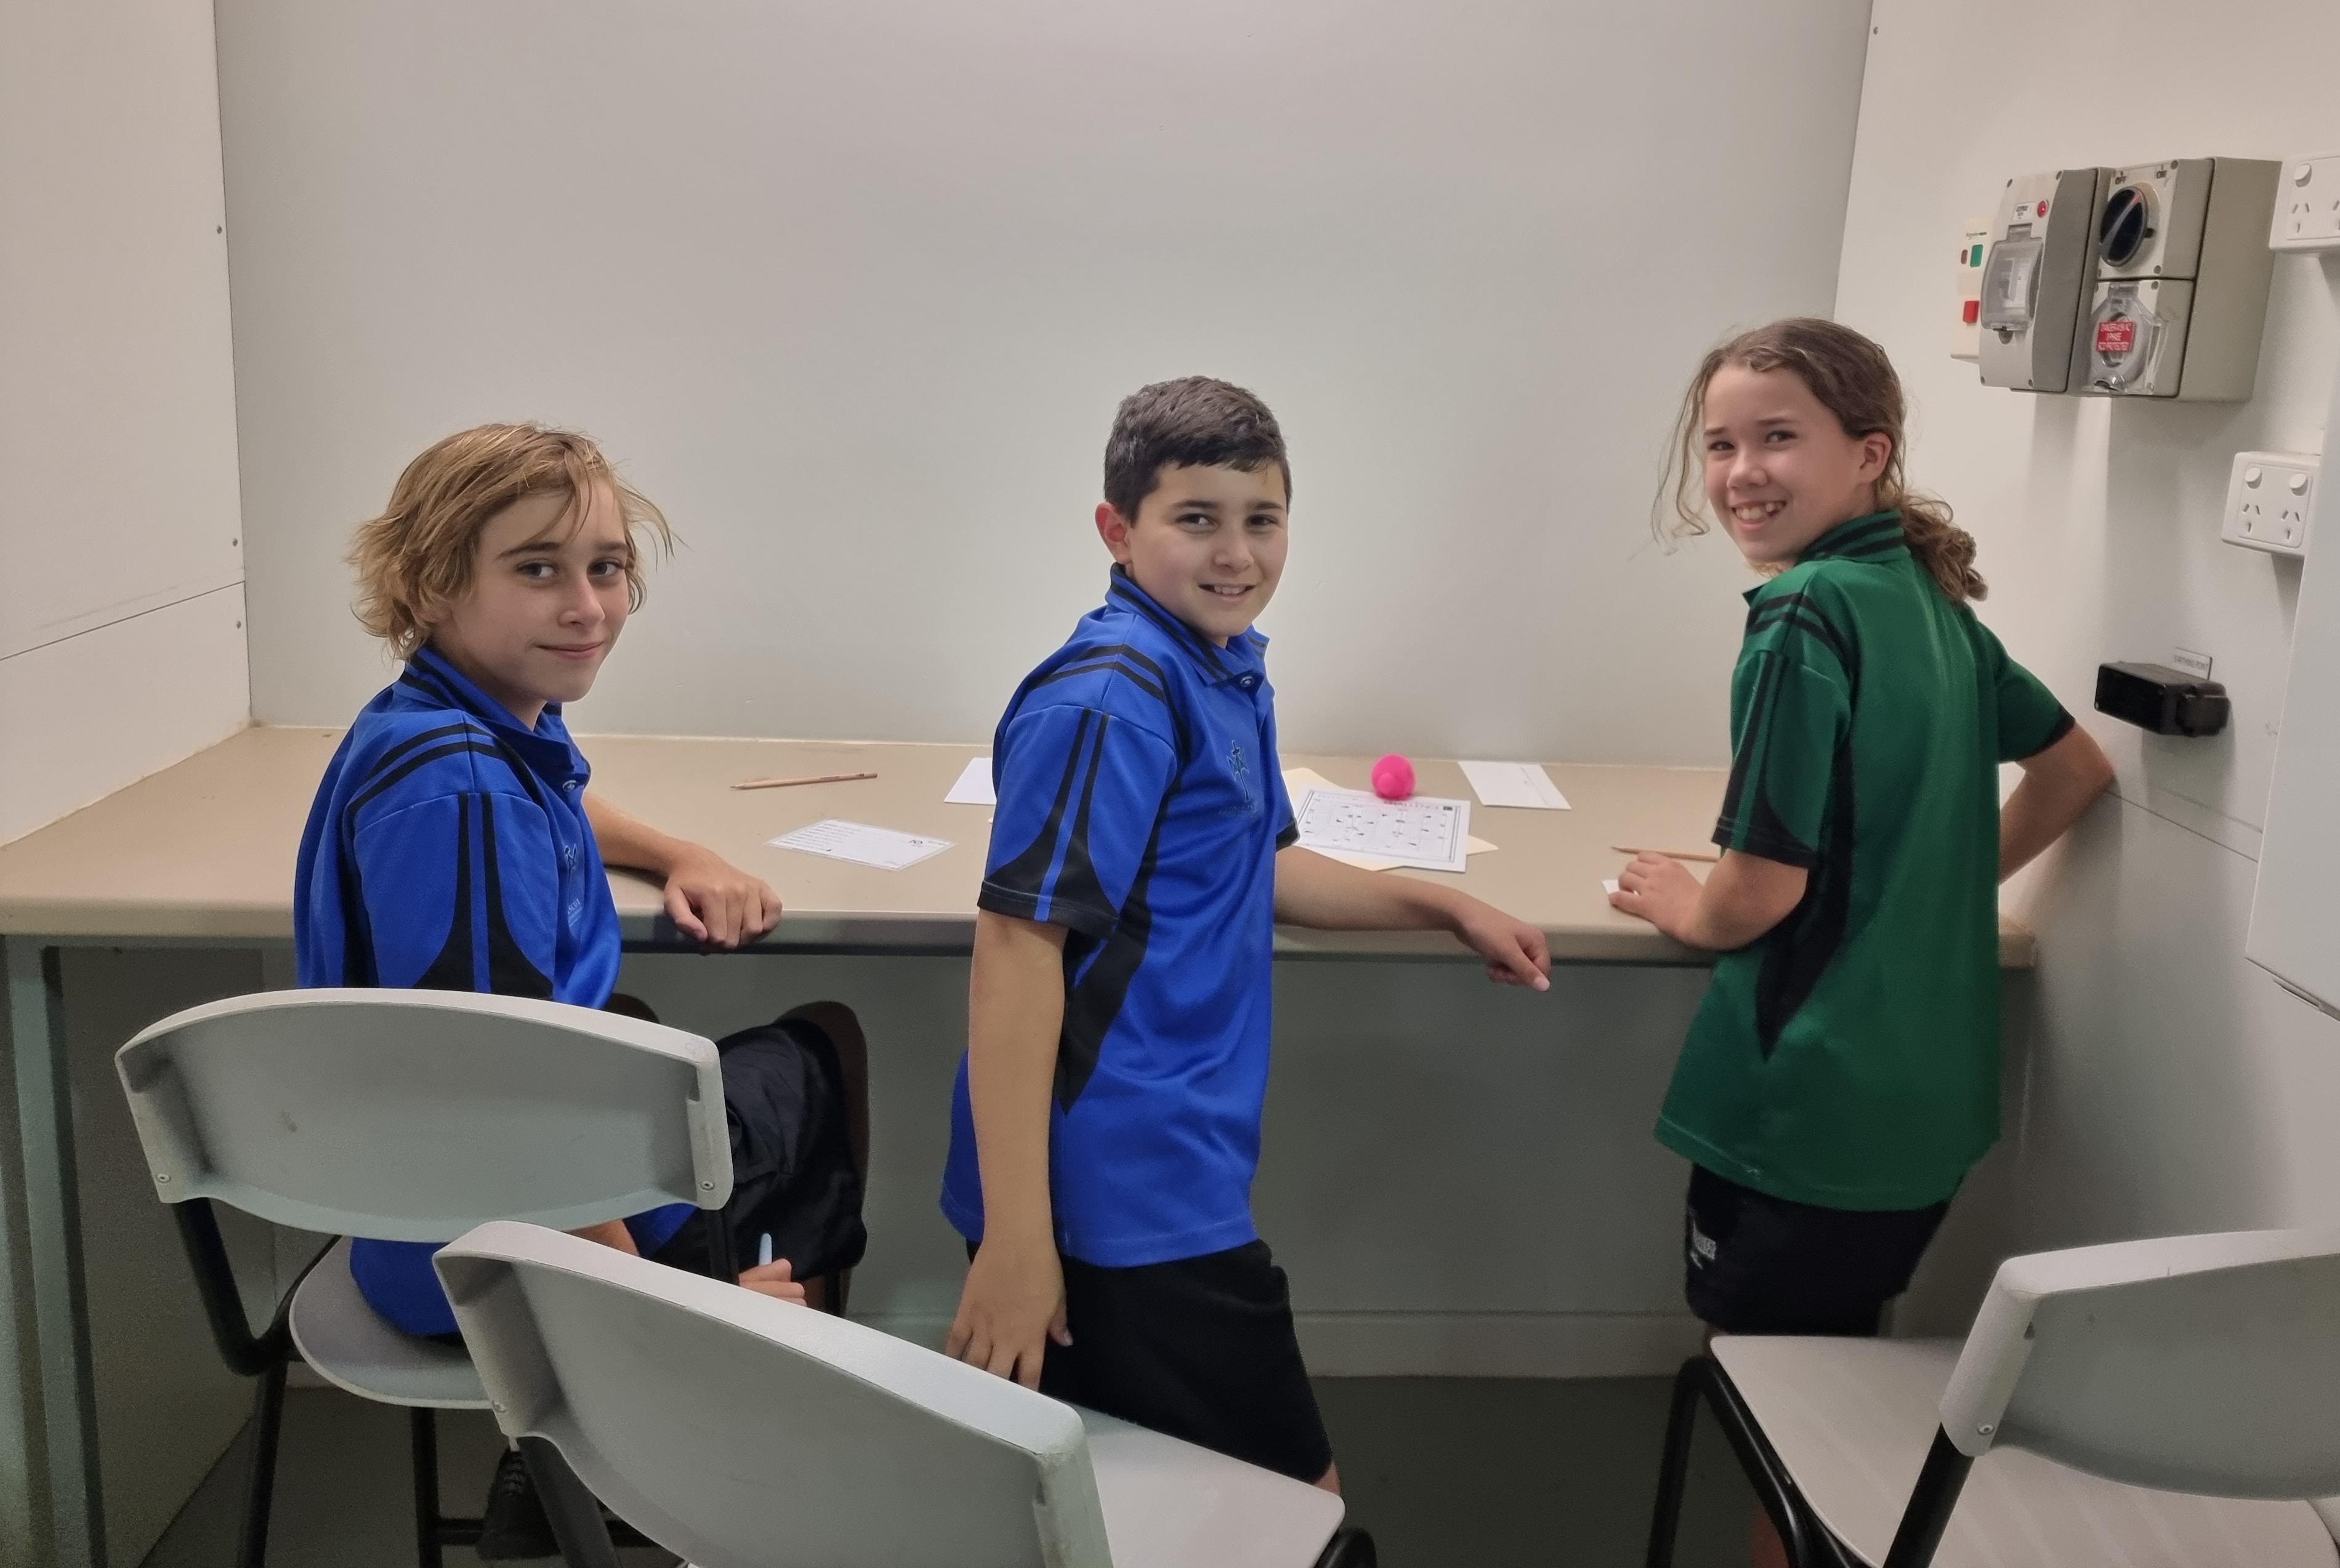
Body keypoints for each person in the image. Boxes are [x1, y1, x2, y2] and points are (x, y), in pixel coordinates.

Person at [940, 376, 1552, 1492]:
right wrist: (1022, 1243)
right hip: (1121, 1183)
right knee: (1299, 1508)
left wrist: (1447, 905)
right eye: (1197, 519)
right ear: (1117, 530)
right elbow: (1016, 953)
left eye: (1262, 519)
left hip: (1175, 1162)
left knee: (1142, 1496)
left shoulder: (1218, 665)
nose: (1236, 553)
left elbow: (1255, 864)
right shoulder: (1110, 700)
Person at [293, 423, 865, 1558]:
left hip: (411, 1213)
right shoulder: (468, 795)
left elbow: (562, 794)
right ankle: (689, 1415)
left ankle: (588, 1442)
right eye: (538, 569)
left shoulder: (452, 724)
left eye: (606, 567)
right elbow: (511, 1107)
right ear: (432, 584)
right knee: (818, 1050)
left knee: (633, 1030)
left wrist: (679, 851)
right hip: (494, 1270)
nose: (587, 606)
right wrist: (667, 1324)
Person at [1614, 319, 2112, 1566]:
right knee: (1836, 1384)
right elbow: (2075, 771)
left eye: (1778, 438)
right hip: (1925, 1106)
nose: (1741, 472)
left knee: (1776, 1412)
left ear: (1868, 453)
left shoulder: (1802, 614)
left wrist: (1684, 902)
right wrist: (1924, 889)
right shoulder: (1926, 603)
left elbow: (1755, 893)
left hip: (1810, 1109)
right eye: (1720, 445)